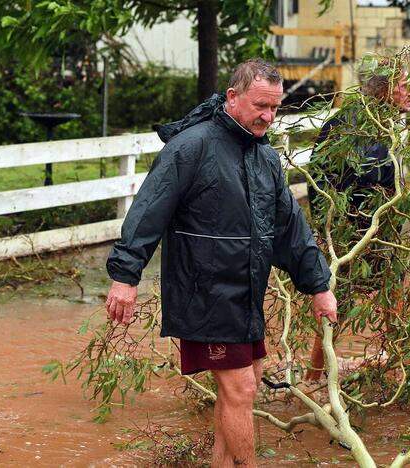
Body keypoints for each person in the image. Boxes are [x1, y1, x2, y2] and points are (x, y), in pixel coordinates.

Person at [105, 59, 337, 467]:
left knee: (247, 384)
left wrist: (319, 286)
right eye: (260, 106)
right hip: (203, 292)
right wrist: (125, 277)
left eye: (275, 109)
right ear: (233, 97)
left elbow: (290, 228)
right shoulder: (191, 147)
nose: (268, 116)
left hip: (246, 294)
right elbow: (147, 212)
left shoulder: (265, 158)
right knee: (241, 389)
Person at [305, 67, 410, 381]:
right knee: (337, 298)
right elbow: (321, 179)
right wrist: (330, 231)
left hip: (382, 229)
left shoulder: (388, 125)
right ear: (383, 90)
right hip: (349, 232)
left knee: (394, 290)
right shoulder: (347, 124)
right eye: (404, 85)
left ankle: (400, 367)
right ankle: (314, 376)